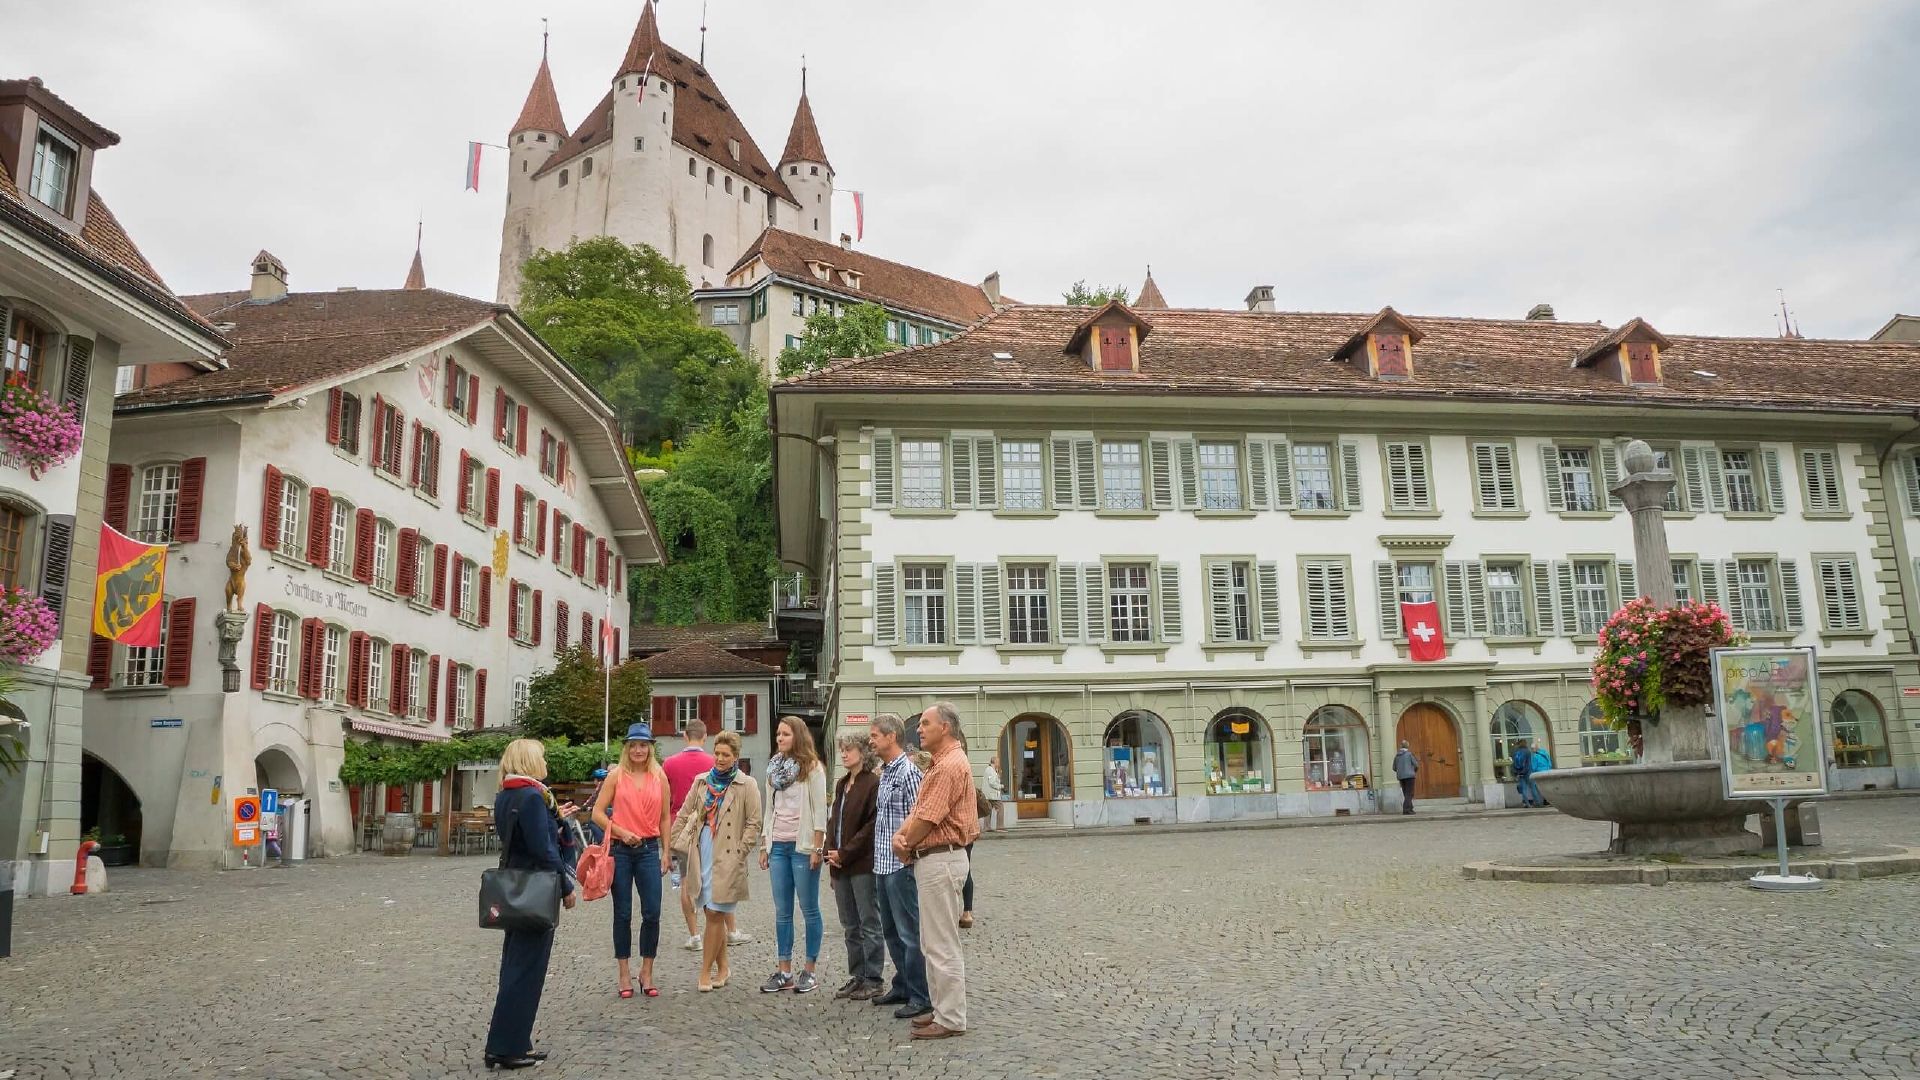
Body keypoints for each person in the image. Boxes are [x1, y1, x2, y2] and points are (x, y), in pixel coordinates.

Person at [483, 738, 577, 1071]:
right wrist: (567, 885)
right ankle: (506, 1047)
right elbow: (544, 850)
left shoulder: (506, 795)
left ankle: (514, 1040)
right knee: (525, 971)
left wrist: (555, 819)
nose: (546, 761)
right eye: (542, 756)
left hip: (515, 886)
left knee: (514, 967)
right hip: (536, 889)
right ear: (530, 760)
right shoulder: (533, 798)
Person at [892, 702, 980, 1039]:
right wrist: (905, 837)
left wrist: (905, 843)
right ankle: (942, 1010)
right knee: (932, 942)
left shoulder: (948, 767)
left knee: (941, 943)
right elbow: (920, 812)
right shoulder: (942, 764)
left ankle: (951, 1018)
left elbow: (928, 818)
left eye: (926, 723)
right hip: (935, 858)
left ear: (945, 727)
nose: (919, 729)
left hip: (941, 858)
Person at [669, 730, 762, 992]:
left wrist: (741, 852)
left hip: (729, 856)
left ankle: (704, 972)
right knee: (714, 912)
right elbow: (685, 812)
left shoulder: (747, 784)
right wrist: (676, 846)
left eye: (726, 755)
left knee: (714, 912)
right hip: (703, 851)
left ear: (735, 757)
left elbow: (754, 823)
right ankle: (723, 967)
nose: (720, 759)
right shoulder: (701, 782)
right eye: (717, 753)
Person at [591, 722, 672, 999]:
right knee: (623, 913)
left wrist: (666, 850)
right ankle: (624, 972)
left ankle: (646, 970)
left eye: (643, 745)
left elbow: (665, 817)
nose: (638, 750)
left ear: (650, 748)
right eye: (634, 745)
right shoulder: (616, 776)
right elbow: (597, 813)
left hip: (649, 849)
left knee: (652, 912)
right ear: (627, 748)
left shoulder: (659, 776)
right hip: (621, 850)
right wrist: (622, 832)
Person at [664, 719, 751, 951]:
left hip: (683, 832)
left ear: (684, 735)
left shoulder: (669, 764)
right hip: (709, 832)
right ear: (704, 738)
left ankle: (694, 935)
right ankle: (730, 931)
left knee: (687, 882)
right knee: (721, 885)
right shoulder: (707, 766)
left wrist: (669, 841)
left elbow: (668, 800)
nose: (720, 758)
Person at [759, 715, 829, 994]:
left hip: (802, 848)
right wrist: (765, 844)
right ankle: (784, 969)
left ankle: (809, 970)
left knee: (809, 908)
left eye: (785, 734)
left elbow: (820, 811)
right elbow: (770, 809)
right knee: (782, 911)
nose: (780, 738)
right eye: (778, 734)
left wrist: (817, 846)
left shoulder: (812, 768)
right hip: (778, 845)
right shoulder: (773, 769)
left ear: (798, 736)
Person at [868, 713, 930, 1021]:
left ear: (892, 737)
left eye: (875, 735)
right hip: (881, 863)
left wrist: (908, 853)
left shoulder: (908, 772)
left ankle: (921, 994)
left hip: (900, 865)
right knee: (890, 931)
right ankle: (903, 984)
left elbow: (918, 816)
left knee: (909, 933)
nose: (871, 740)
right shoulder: (885, 772)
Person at [826, 730, 883, 1000]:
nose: (845, 753)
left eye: (849, 749)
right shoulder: (842, 784)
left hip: (861, 863)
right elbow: (834, 821)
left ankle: (873, 977)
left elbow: (871, 827)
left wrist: (845, 853)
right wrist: (830, 851)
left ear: (864, 752)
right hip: (840, 864)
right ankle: (857, 975)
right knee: (849, 924)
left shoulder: (872, 783)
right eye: (843, 749)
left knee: (869, 921)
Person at [1393, 741, 1419, 815]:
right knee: (1410, 793)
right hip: (1410, 776)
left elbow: (1394, 767)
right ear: (1407, 746)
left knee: (1406, 793)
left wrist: (1400, 771)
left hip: (1401, 777)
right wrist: (1413, 771)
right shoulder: (1409, 754)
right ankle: (1406, 809)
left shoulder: (1397, 756)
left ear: (1401, 746)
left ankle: (1410, 809)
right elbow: (1416, 765)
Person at [1511, 739, 1539, 809]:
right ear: (1525, 744)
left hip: (1519, 773)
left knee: (1524, 789)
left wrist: (1516, 773)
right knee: (1533, 787)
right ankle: (1538, 803)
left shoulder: (1515, 752)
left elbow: (1513, 763)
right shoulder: (1527, 751)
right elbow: (1529, 763)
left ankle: (1527, 804)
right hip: (1528, 772)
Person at [981, 754, 1004, 834]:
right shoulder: (990, 770)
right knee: (1000, 807)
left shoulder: (992, 769)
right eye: (998, 762)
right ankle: (1000, 826)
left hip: (988, 795)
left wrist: (998, 773)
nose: (999, 763)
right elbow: (992, 783)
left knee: (988, 810)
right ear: (994, 762)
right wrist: (1001, 786)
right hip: (992, 795)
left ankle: (986, 827)